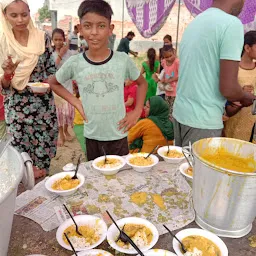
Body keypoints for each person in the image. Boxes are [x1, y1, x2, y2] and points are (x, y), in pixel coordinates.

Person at [49, 0, 148, 161]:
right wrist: (76, 102)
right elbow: (53, 83)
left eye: (101, 26)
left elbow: (143, 83)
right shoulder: (75, 63)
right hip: (92, 135)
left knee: (119, 179)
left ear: (110, 29)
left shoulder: (122, 60)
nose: (94, 32)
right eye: (88, 26)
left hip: (118, 134)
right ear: (80, 29)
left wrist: (137, 111)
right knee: (97, 178)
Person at [172, 0, 256, 147]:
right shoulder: (231, 24)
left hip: (180, 115)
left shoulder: (195, 22)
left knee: (184, 167)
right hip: (203, 121)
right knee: (199, 170)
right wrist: (244, 96)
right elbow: (228, 89)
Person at [0, 0, 58, 178]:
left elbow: (51, 72)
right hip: (17, 111)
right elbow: (4, 87)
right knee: (20, 164)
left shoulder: (42, 37)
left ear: (29, 13)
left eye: (24, 14)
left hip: (44, 109)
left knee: (41, 165)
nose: (20, 20)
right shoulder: (3, 42)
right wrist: (8, 74)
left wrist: (46, 87)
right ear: (5, 16)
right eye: (14, 15)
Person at [224, 31, 256, 142]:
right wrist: (240, 93)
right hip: (234, 118)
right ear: (247, 48)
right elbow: (225, 93)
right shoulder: (233, 68)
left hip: (252, 121)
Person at [52, 28, 75, 147]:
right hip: (57, 89)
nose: (58, 42)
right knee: (60, 113)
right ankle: (61, 134)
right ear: (52, 40)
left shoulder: (70, 53)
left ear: (64, 40)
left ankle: (66, 130)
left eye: (60, 39)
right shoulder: (51, 55)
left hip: (68, 87)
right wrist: (60, 55)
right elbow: (52, 68)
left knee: (68, 112)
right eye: (55, 39)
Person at [159, 45, 179, 121]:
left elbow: (180, 76)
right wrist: (163, 80)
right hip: (167, 90)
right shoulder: (164, 62)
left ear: (174, 53)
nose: (169, 58)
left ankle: (172, 125)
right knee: (167, 108)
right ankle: (167, 123)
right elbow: (165, 72)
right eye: (166, 57)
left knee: (173, 110)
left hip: (175, 91)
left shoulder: (177, 62)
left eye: (171, 56)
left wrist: (170, 80)